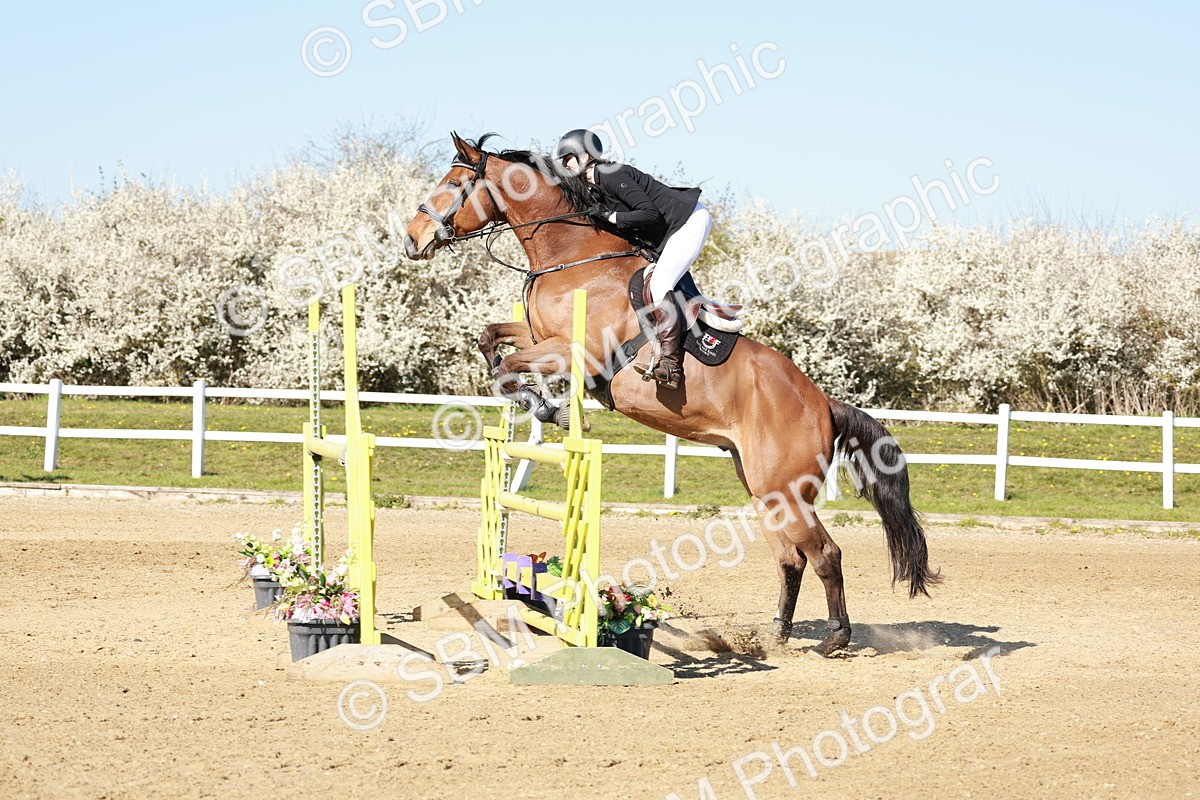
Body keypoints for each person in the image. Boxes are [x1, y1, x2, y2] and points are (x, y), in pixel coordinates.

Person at [556, 128, 711, 389]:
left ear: (586, 155)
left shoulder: (611, 174)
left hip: (688, 221)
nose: (565, 164)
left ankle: (671, 365)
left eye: (568, 157)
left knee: (660, 285)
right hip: (669, 231)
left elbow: (649, 213)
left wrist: (611, 217)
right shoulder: (595, 186)